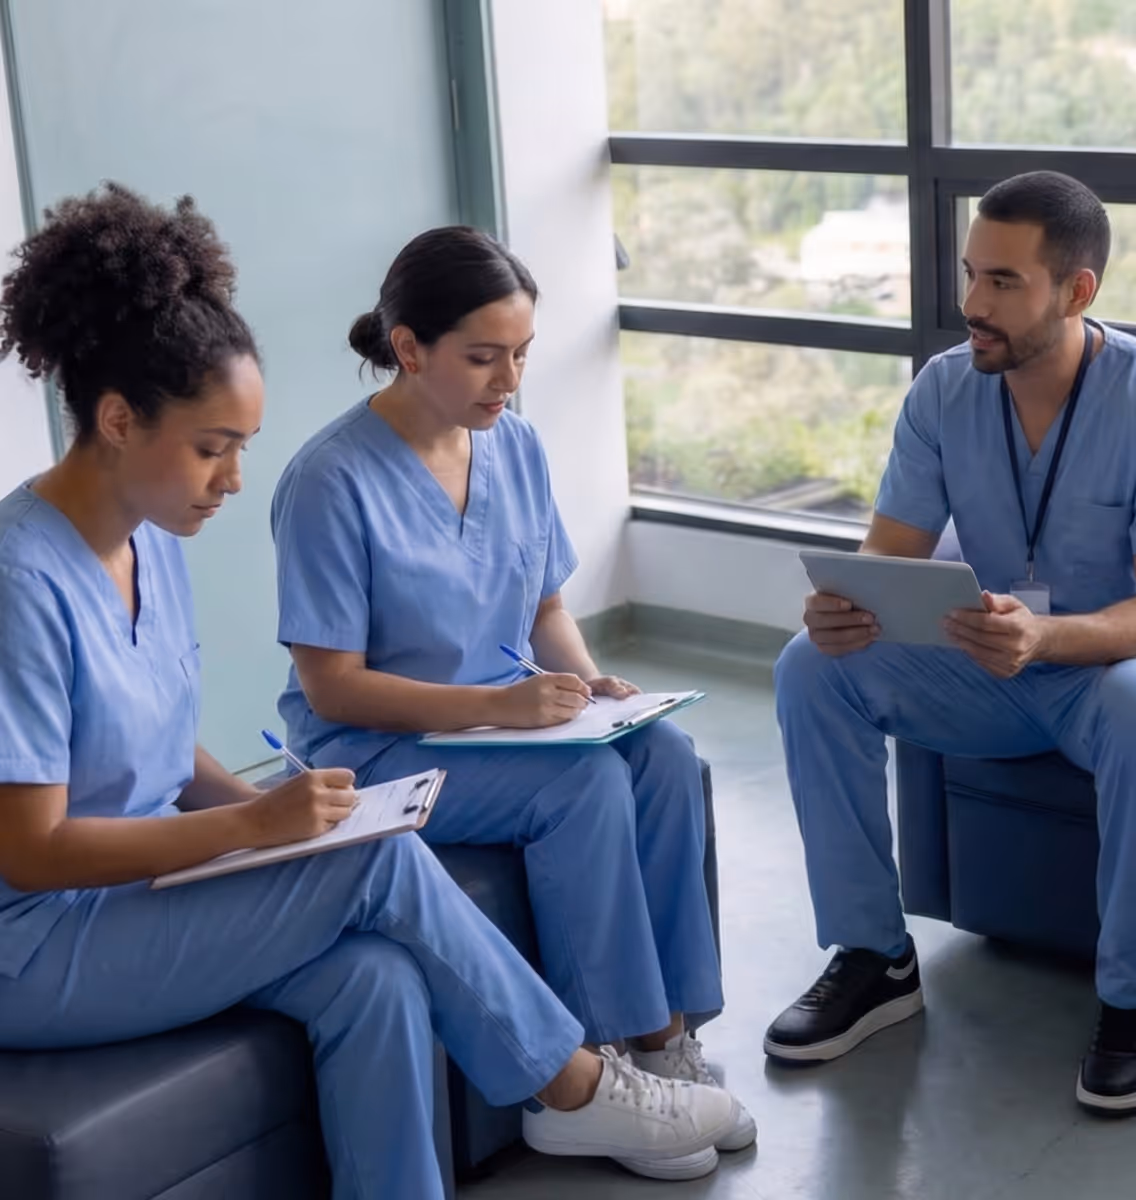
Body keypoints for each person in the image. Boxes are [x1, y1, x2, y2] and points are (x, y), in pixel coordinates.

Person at [0, 184, 748, 1200]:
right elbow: (32, 852)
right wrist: (252, 829)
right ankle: (574, 1086)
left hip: (139, 894)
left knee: (376, 979)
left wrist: (285, 824)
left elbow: (161, 752)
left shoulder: (148, 542)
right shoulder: (20, 584)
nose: (230, 481)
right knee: (378, 873)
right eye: (211, 449)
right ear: (121, 420)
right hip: (40, 944)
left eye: (240, 451)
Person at [269, 225, 754, 1150]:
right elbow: (332, 691)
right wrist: (498, 706)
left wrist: (591, 682)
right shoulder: (328, 482)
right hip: (381, 746)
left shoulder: (515, 447)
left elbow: (545, 612)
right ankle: (600, 1067)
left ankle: (669, 1038)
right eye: (483, 357)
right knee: (582, 785)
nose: (509, 379)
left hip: (508, 723)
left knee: (660, 753)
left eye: (522, 354)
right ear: (408, 348)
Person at [767, 170, 1136, 1114]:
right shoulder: (944, 388)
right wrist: (845, 606)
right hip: (984, 667)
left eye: (1003, 282)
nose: (972, 304)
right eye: (971, 274)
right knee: (814, 667)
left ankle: (1130, 998)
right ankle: (874, 958)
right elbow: (890, 555)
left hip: (1098, 675)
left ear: (1078, 291)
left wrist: (1049, 635)